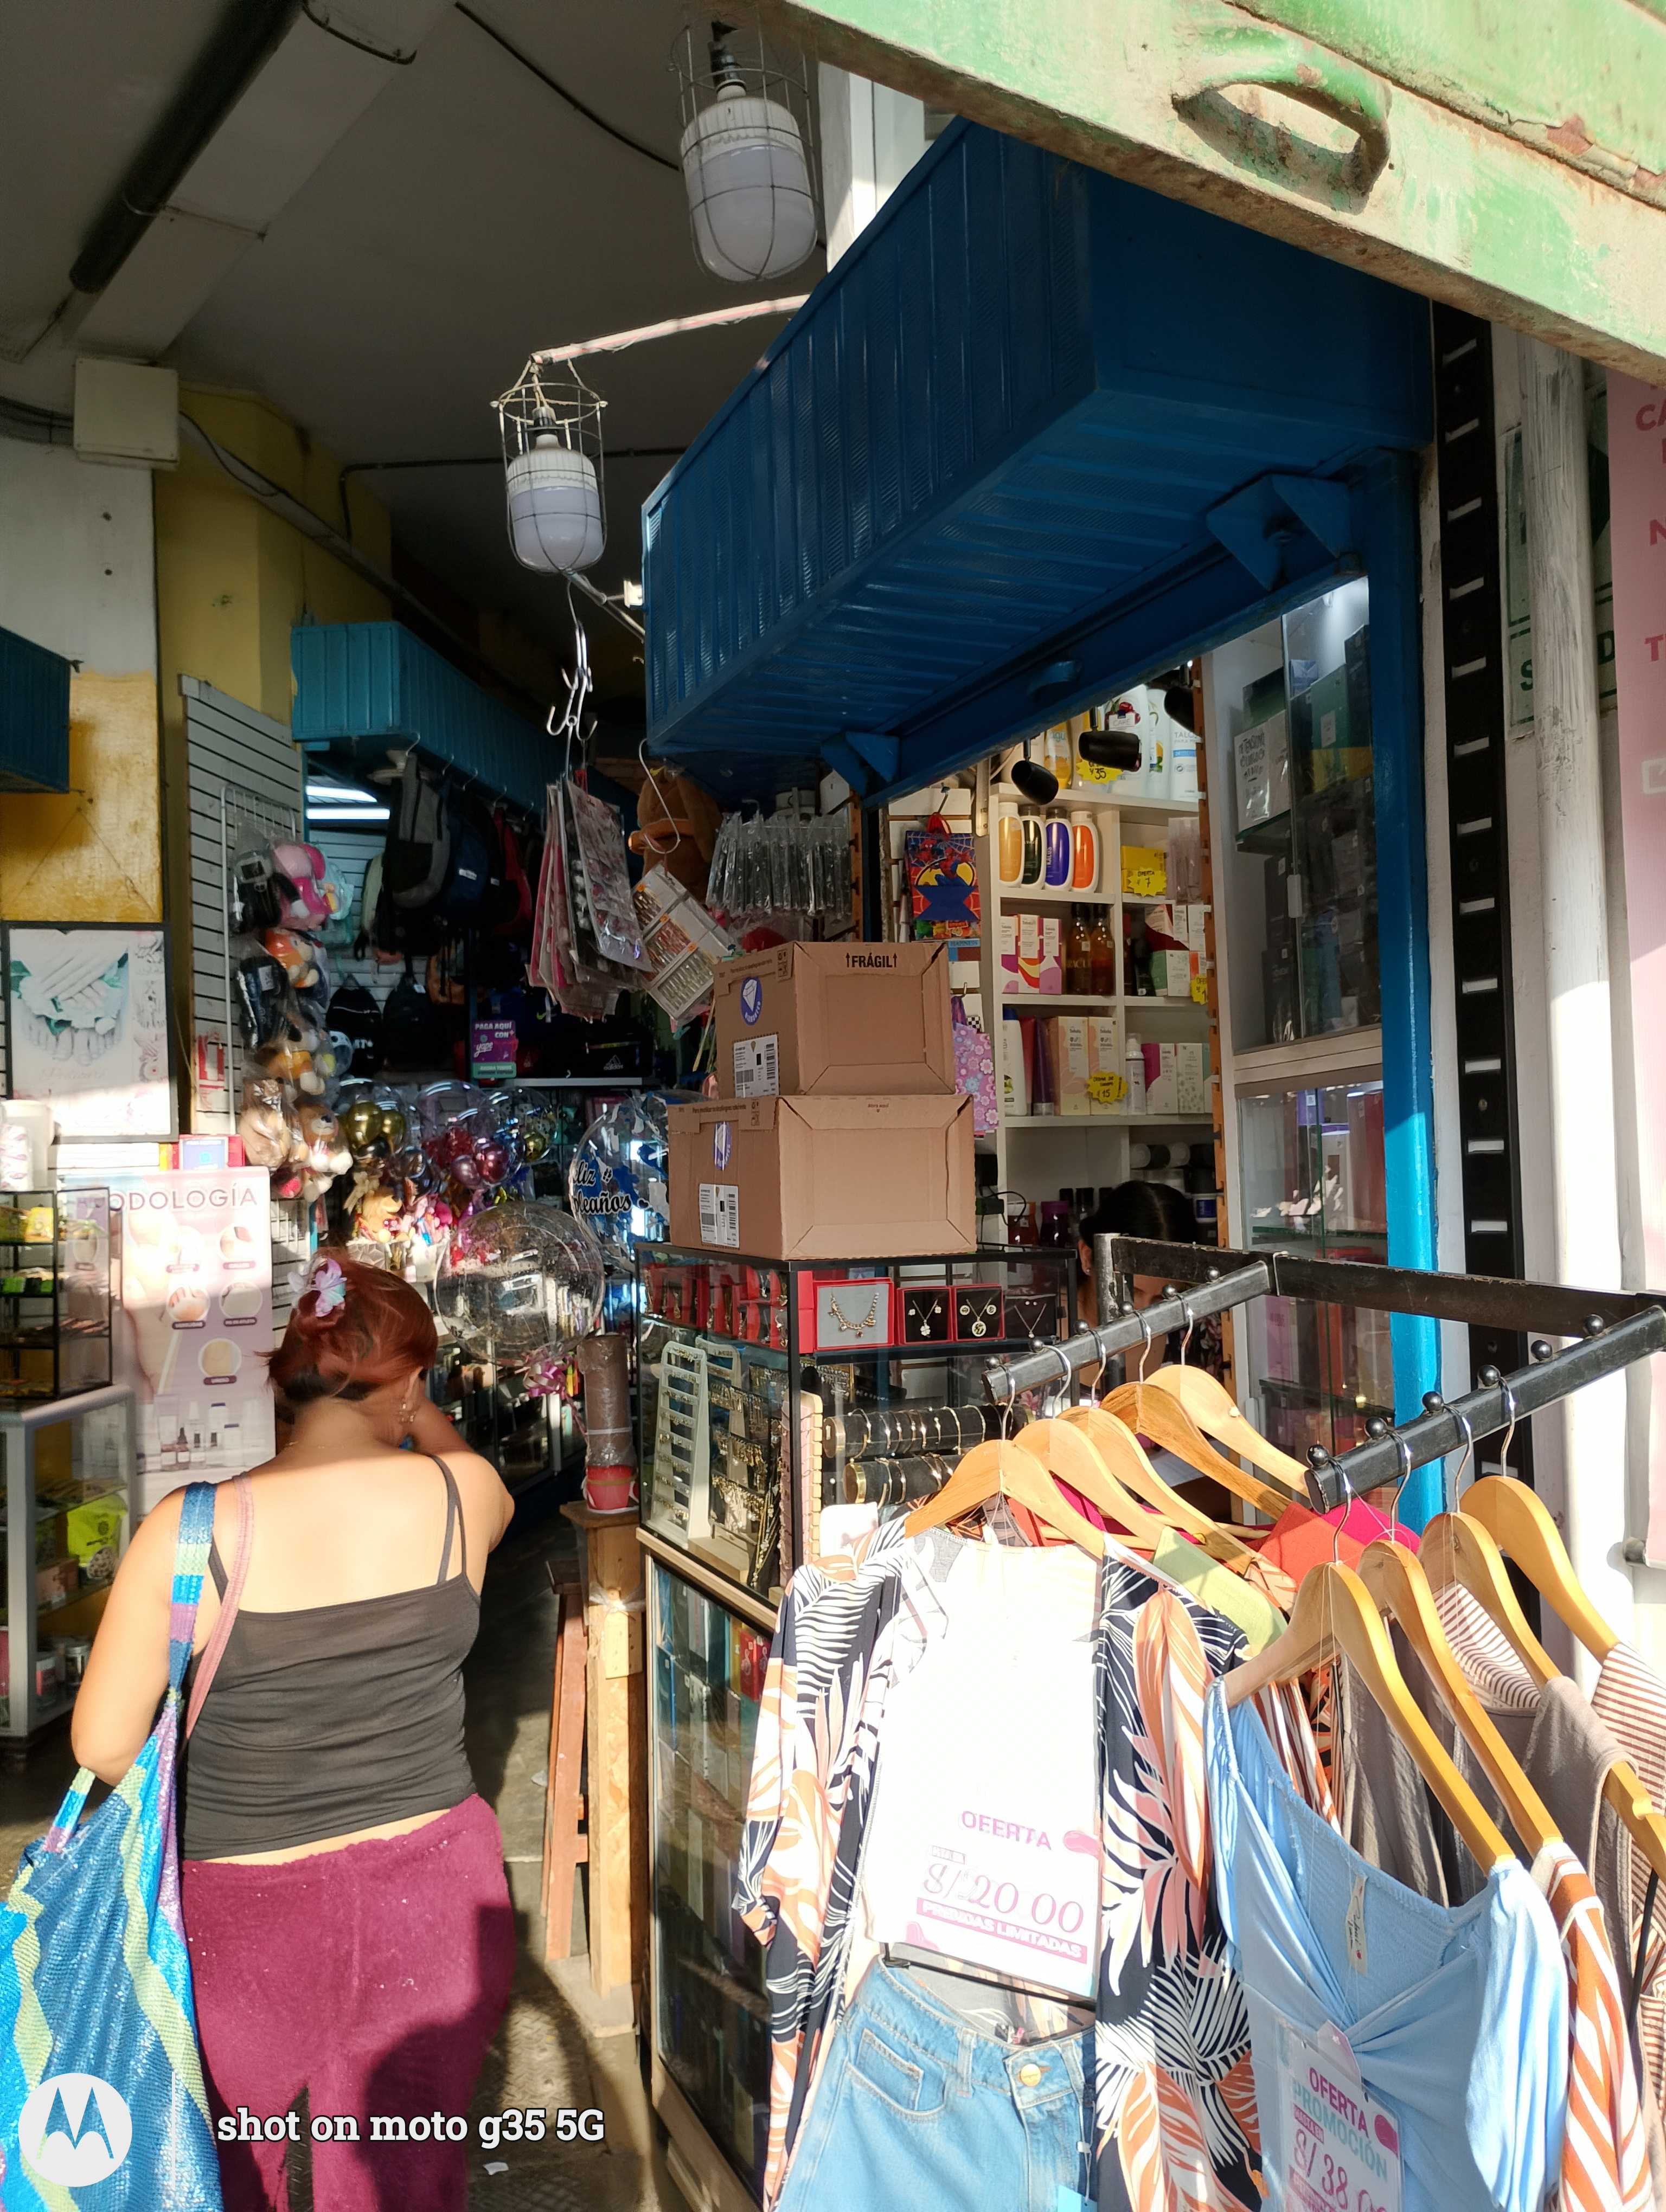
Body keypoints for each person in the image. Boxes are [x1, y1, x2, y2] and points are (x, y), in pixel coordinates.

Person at [73, 1253, 516, 2212]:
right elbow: (456, 1456)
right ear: (408, 1380)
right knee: (405, 2178)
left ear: (287, 1377)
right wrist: (417, 1407)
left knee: (232, 2172)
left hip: (244, 1916)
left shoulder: (190, 1530)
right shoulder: (464, 1495)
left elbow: (103, 1744)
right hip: (435, 1892)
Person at [1074, 1178, 1199, 1328]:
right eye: (1131, 1293)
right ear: (1087, 1257)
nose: (1143, 1316)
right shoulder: (1050, 1332)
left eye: (1163, 1299)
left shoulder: (1193, 1326)